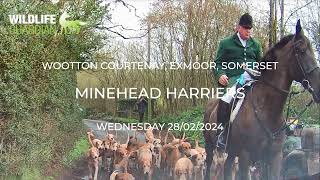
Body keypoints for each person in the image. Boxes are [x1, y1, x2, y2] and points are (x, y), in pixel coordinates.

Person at [213, 13, 262, 149]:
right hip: (234, 79)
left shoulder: (256, 44)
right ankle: (221, 133)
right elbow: (217, 63)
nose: (249, 31)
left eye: (250, 28)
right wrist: (220, 75)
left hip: (254, 79)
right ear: (238, 28)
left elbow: (261, 63)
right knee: (227, 98)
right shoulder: (226, 43)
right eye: (246, 28)